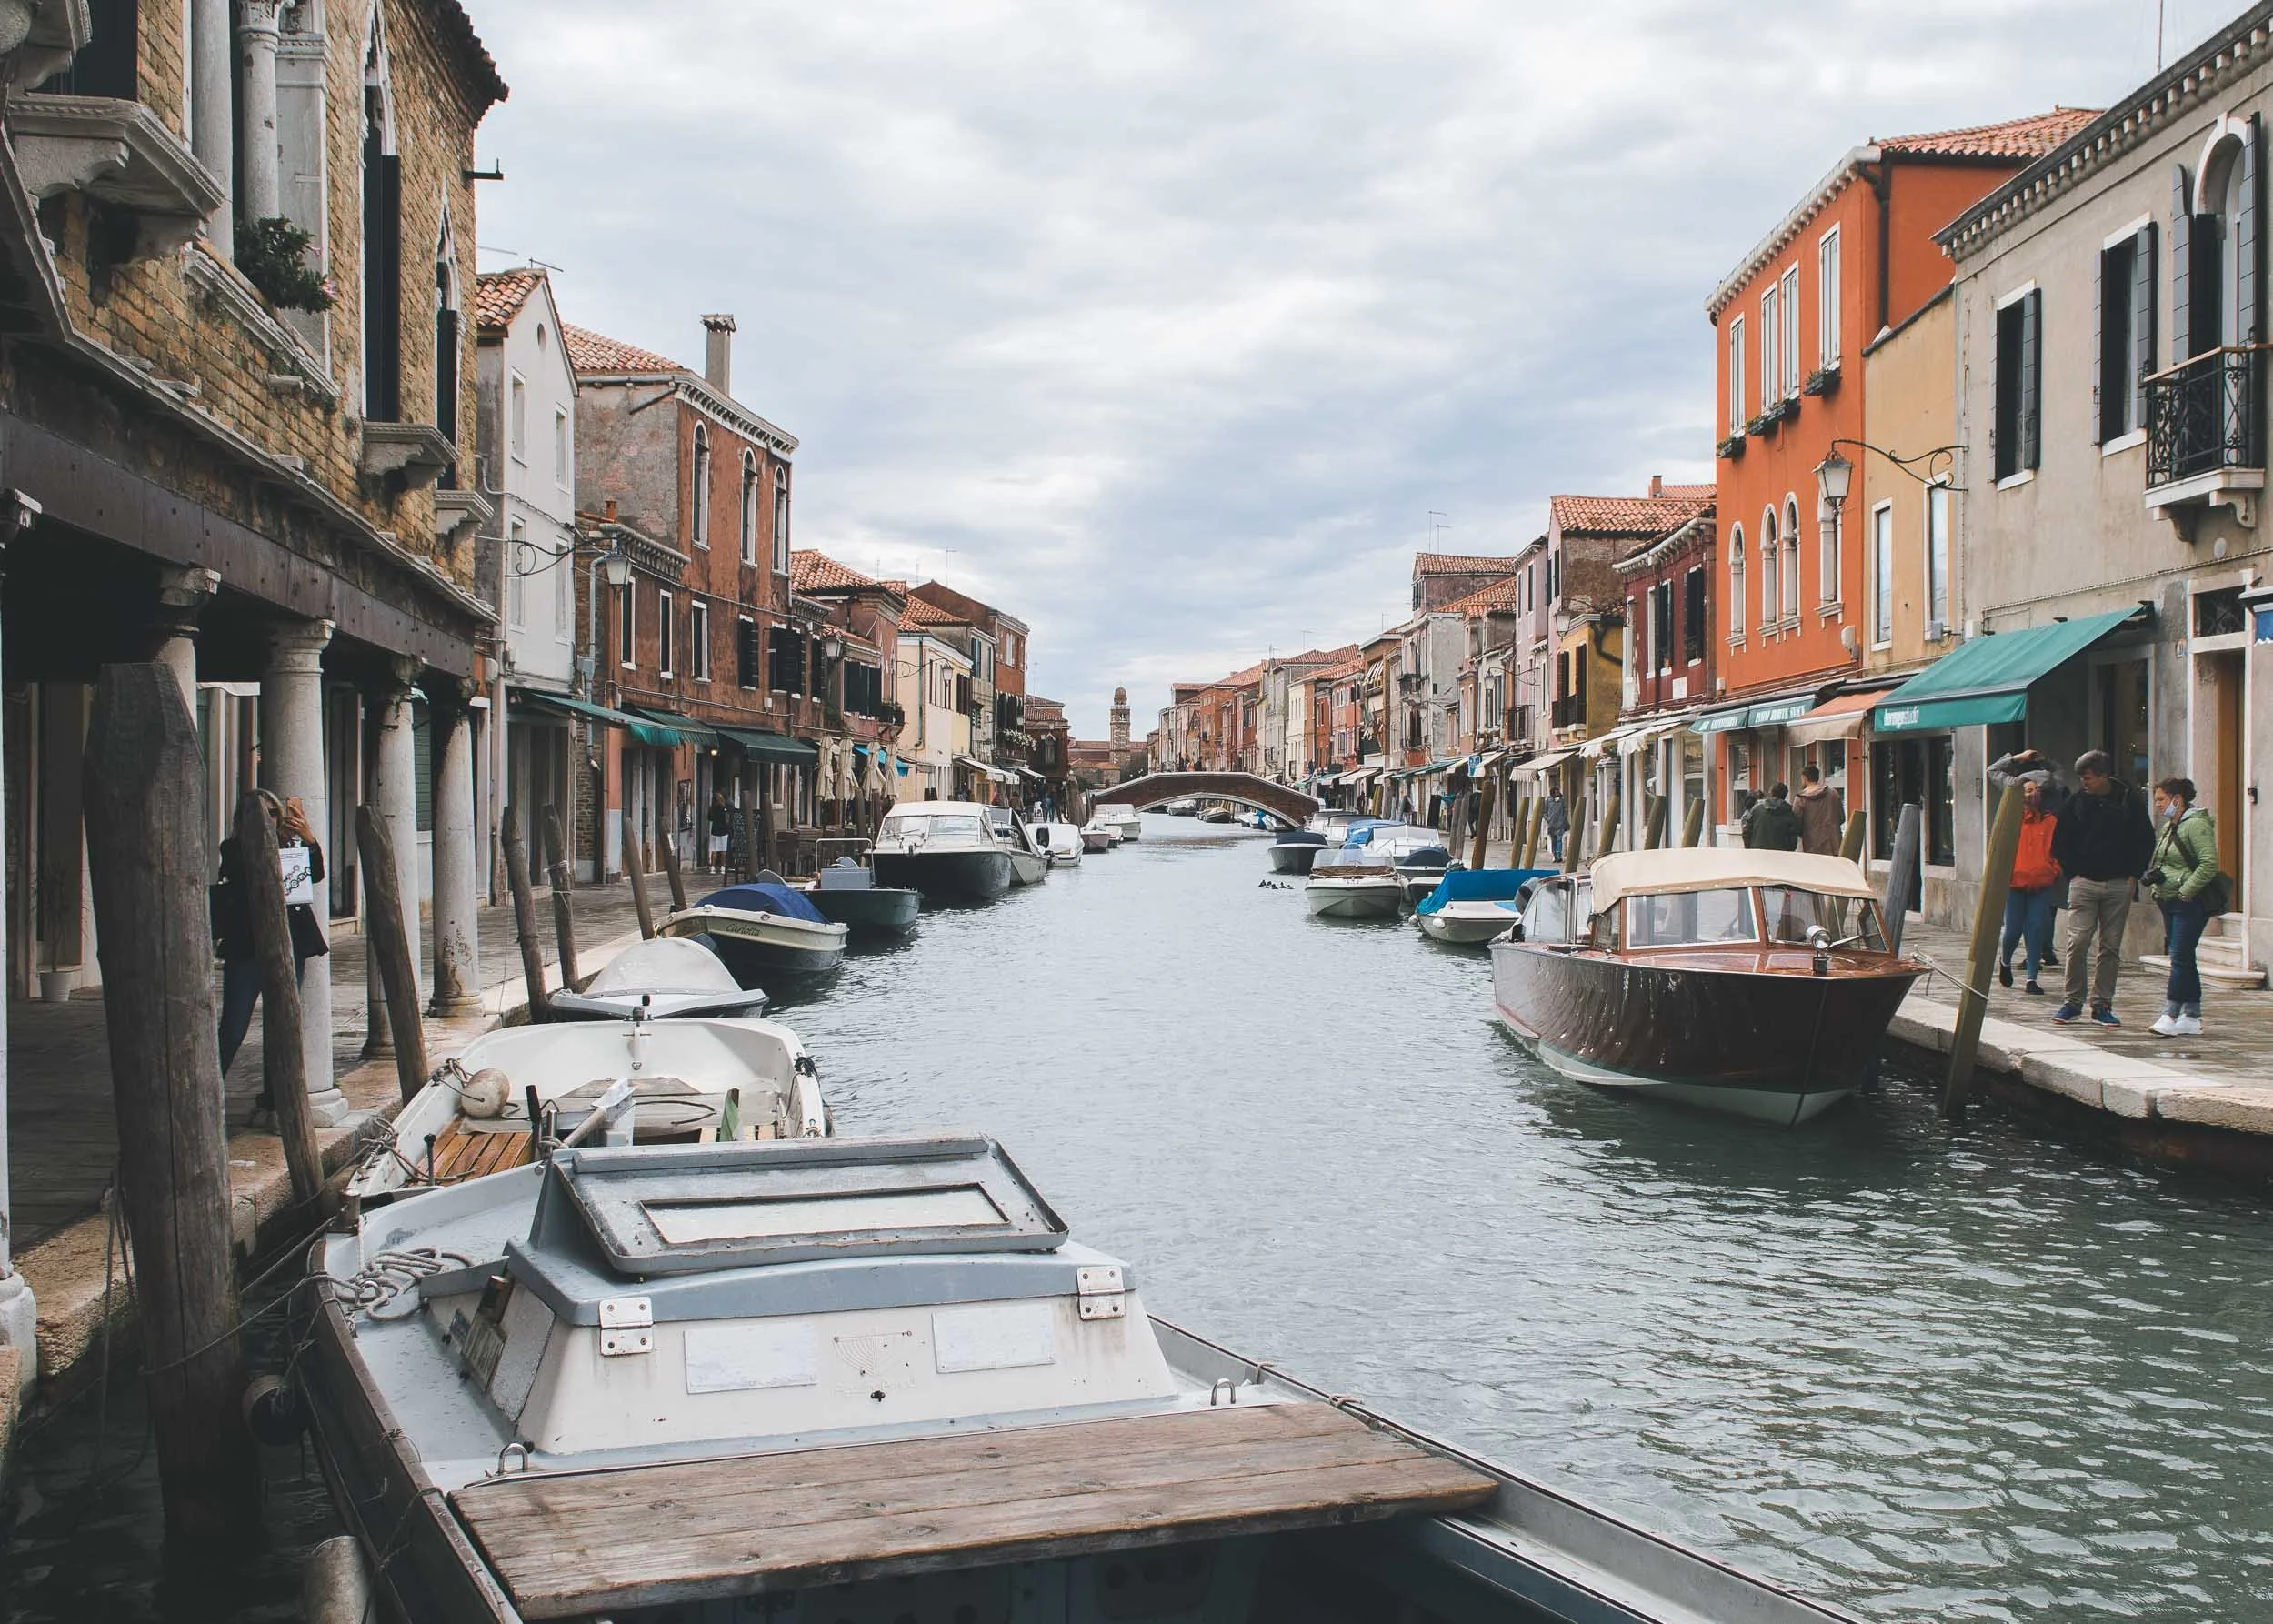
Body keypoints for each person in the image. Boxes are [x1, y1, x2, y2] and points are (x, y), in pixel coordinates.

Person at [214, 794, 328, 1098]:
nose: (270, 820)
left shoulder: (293, 845)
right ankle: (208, 1092)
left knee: (283, 1024)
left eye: (274, 814)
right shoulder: (234, 848)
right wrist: (276, 846)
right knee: (233, 1026)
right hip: (247, 950)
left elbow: (315, 874)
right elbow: (244, 872)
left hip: (291, 945)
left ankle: (276, 1098)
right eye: (262, 815)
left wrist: (307, 837)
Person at [2048, 749, 2156, 1026]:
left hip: (2119, 883)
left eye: (2088, 778)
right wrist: (2072, 873)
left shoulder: (2129, 801)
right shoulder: (2076, 803)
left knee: (2110, 947)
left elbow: (2145, 839)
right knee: (2078, 941)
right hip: (2083, 882)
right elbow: (2060, 841)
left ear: (2104, 776)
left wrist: (2134, 873)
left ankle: (2101, 1004)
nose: (2084, 783)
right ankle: (2072, 1002)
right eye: (2082, 778)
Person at [2146, 777, 2221, 1037]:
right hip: (2168, 899)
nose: (2157, 805)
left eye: (2161, 800)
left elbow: (2208, 863)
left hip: (2189, 902)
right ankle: (2192, 1014)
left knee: (2179, 956)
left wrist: (2187, 890)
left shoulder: (2196, 825)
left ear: (2177, 799)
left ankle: (2170, 1013)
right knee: (2184, 958)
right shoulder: (2170, 826)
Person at [1998, 778, 2060, 995]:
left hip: (2041, 884)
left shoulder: (2050, 821)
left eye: (2033, 790)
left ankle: (2031, 978)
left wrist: (2053, 869)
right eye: (2026, 791)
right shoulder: (2011, 821)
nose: (2029, 795)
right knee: (2012, 930)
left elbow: (2058, 849)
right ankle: (2005, 962)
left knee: (2036, 930)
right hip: (2015, 884)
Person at [1793, 764, 1845, 856]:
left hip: (1811, 844)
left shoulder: (1801, 798)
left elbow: (1796, 824)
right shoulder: (1833, 793)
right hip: (1833, 843)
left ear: (1804, 778)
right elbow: (1841, 817)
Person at [1742, 781, 1802, 851]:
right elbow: (1793, 838)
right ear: (1785, 796)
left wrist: (1750, 849)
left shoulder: (1757, 809)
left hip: (1758, 854)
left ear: (1771, 793)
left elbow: (1746, 832)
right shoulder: (1789, 813)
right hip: (1780, 855)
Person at [706, 791, 730, 872]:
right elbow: (727, 821)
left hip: (715, 831)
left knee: (714, 850)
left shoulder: (712, 809)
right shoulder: (725, 808)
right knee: (724, 850)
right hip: (724, 831)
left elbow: (709, 818)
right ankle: (722, 867)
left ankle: (712, 868)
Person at [1543, 789, 1569, 861]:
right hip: (1551, 824)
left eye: (1558, 792)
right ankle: (1555, 855)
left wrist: (1563, 818)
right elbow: (1544, 811)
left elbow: (1565, 810)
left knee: (1559, 839)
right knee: (1553, 840)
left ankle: (1558, 855)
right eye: (1556, 792)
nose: (1557, 794)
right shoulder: (1548, 800)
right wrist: (1548, 819)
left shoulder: (1562, 800)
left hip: (1560, 823)